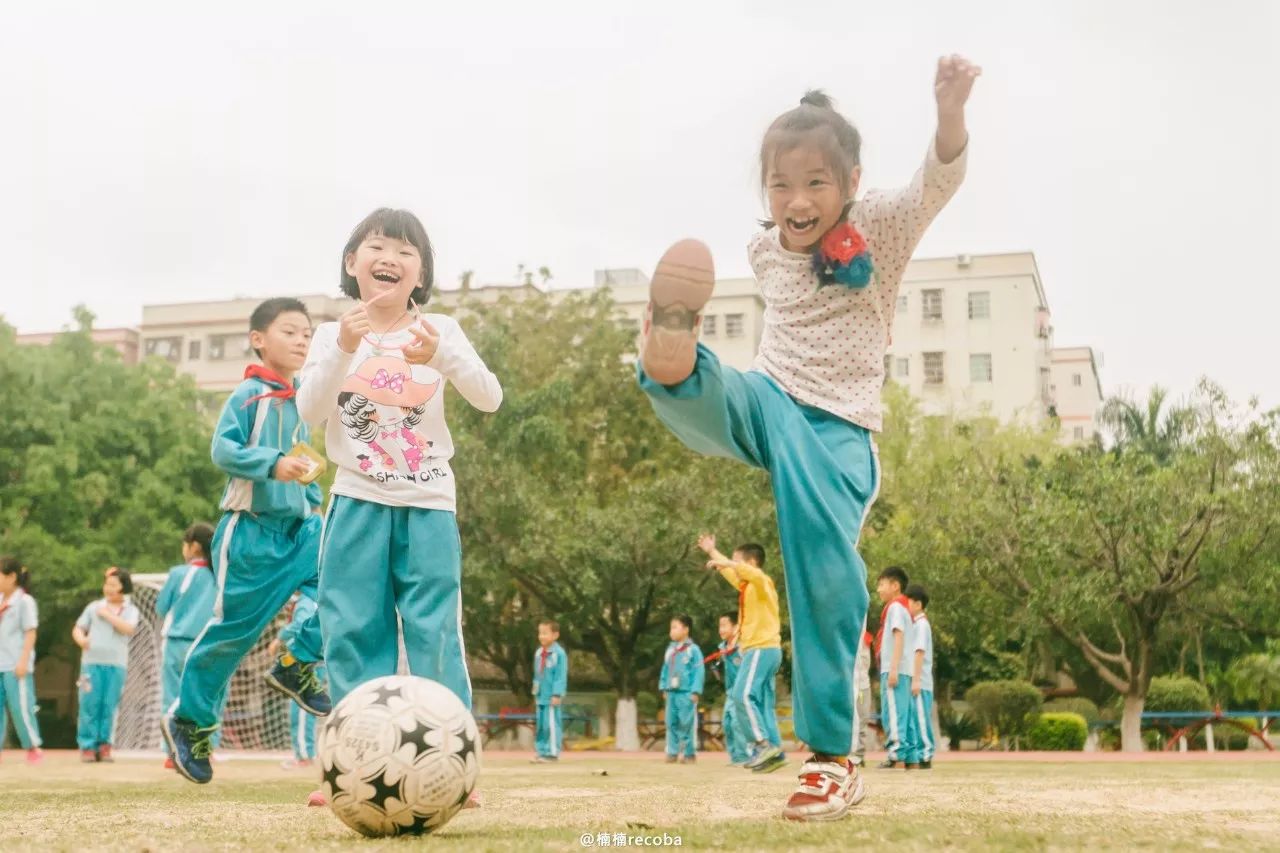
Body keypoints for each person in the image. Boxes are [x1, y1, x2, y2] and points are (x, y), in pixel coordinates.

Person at [635, 56, 979, 820]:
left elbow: (938, 181)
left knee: (825, 577)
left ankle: (832, 757)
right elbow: (780, 284)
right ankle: (671, 361)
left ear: (850, 182)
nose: (797, 202)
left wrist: (949, 111)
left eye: (816, 184)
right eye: (781, 186)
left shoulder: (881, 226)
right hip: (772, 396)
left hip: (840, 432)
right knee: (718, 388)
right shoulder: (765, 252)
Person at [297, 208, 502, 808]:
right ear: (351, 262)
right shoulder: (330, 336)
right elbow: (309, 414)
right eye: (377, 245)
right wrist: (342, 347)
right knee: (353, 633)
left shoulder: (441, 329)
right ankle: (350, 768)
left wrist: (441, 357)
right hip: (357, 499)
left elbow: (489, 398)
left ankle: (454, 771)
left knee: (436, 633)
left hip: (429, 500)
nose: (389, 257)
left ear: (421, 273)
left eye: (406, 250)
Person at [165, 297, 331, 785]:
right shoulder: (247, 395)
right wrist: (271, 464)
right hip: (251, 537)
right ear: (259, 338)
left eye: (306, 333)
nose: (302, 339)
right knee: (230, 636)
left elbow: (303, 456)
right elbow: (223, 449)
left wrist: (313, 495)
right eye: (290, 331)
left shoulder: (302, 396)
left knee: (345, 584)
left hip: (302, 529)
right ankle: (189, 721)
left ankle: (295, 658)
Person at [698, 536, 785, 773]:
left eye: (738, 562)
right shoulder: (748, 588)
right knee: (756, 702)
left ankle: (762, 745)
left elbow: (747, 573)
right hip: (762, 650)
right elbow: (730, 573)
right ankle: (773, 753)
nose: (733, 566)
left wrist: (727, 563)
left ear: (752, 562)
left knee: (742, 695)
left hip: (762, 648)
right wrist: (712, 551)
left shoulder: (762, 582)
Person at [155, 522, 218, 768]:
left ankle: (172, 753)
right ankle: (204, 750)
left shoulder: (179, 574)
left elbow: (161, 608)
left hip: (177, 644)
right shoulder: (219, 575)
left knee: (173, 697)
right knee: (207, 698)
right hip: (209, 645)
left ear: (193, 546)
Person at [73, 567, 140, 762]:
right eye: (106, 584)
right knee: (88, 703)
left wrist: (108, 615)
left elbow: (128, 629)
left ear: (123, 587)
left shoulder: (130, 610)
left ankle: (104, 746)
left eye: (113, 585)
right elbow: (78, 628)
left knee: (109, 705)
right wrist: (81, 640)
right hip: (90, 664)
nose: (108, 588)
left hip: (116, 664)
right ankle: (87, 746)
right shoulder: (93, 607)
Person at [0, 557, 42, 764]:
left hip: (16, 664)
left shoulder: (24, 601)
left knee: (20, 707)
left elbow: (30, 632)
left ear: (11, 577)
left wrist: (23, 661)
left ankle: (32, 746)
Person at [276, 593, 324, 769]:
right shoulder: (313, 598)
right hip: (316, 661)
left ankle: (304, 756)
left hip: (307, 662)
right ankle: (304, 753)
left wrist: (279, 637)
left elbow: (301, 624)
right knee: (305, 707)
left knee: (302, 709)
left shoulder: (305, 600)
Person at [875, 566, 916, 769]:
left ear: (895, 585)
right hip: (904, 669)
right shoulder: (904, 608)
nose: (879, 590)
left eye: (882, 584)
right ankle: (909, 756)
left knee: (892, 712)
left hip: (895, 669)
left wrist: (892, 668)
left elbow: (898, 636)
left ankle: (896, 754)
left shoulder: (895, 608)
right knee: (903, 712)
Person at [705, 611, 751, 766]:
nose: (721, 629)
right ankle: (735, 758)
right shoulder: (723, 648)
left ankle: (744, 757)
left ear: (736, 627)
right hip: (730, 692)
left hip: (743, 692)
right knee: (727, 724)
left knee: (738, 724)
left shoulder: (743, 647)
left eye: (724, 625)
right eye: (720, 626)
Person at [659, 614, 704, 764]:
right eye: (670, 628)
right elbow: (665, 670)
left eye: (674, 627)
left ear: (685, 629)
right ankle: (672, 752)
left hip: (686, 693)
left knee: (686, 723)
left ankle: (689, 753)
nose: (671, 631)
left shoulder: (693, 650)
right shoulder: (670, 649)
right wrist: (664, 687)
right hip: (672, 692)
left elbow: (699, 671)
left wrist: (695, 690)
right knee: (671, 723)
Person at [906, 584, 935, 769]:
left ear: (917, 603)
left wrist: (915, 680)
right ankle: (920, 752)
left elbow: (919, 653)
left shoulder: (922, 625)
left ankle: (926, 753)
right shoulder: (916, 624)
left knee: (922, 719)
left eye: (908, 602)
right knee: (917, 719)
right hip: (919, 680)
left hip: (921, 681)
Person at [532, 619, 568, 763]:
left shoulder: (558, 654)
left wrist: (557, 693)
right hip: (540, 695)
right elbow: (537, 674)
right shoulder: (539, 653)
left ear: (555, 635)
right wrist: (535, 691)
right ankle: (541, 751)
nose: (542, 636)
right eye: (540, 633)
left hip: (552, 696)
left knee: (551, 724)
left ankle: (552, 752)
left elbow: (560, 675)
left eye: (545, 633)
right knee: (541, 725)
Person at [852, 630, 874, 767]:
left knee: (863, 719)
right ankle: (851, 754)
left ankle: (859, 755)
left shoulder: (865, 637)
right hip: (851, 684)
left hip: (863, 684)